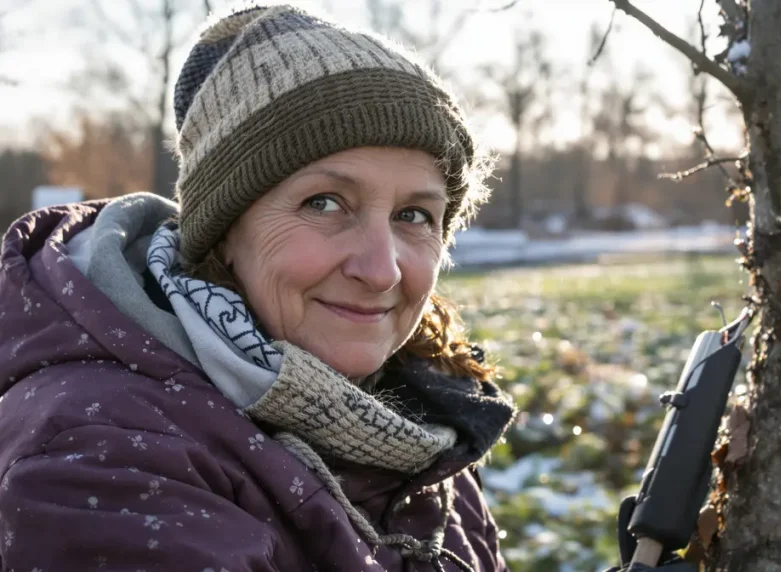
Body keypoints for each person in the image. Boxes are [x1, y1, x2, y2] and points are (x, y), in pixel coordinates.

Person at [0, 4, 516, 571]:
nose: (383, 270)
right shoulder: (102, 452)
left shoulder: (418, 428)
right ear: (222, 235)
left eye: (415, 215)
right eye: (324, 203)